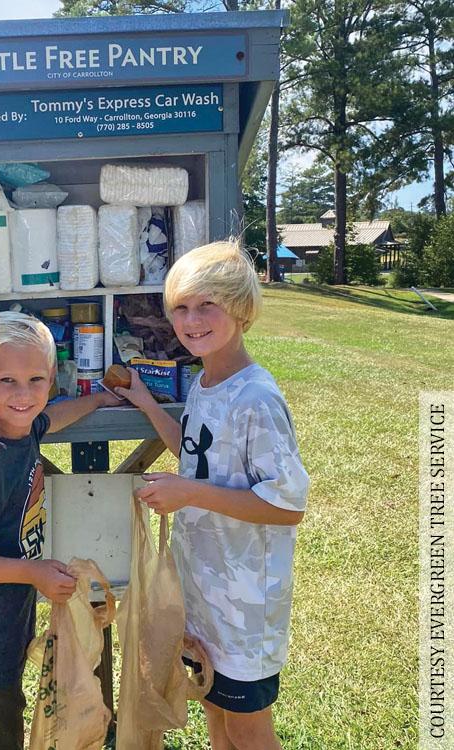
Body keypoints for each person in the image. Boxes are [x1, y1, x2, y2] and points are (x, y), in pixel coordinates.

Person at [115, 241, 310, 750]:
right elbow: (195, 451)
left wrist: (189, 494)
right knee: (213, 706)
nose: (191, 320)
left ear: (241, 310)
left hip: (245, 601)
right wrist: (146, 402)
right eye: (180, 307)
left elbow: (287, 506)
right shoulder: (206, 383)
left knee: (247, 727)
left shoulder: (257, 398)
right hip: (204, 588)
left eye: (208, 305)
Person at [0, 311, 121, 750]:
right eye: (7, 382)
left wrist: (98, 401)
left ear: (51, 378)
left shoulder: (23, 428)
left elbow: (53, 417)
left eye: (35, 380)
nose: (24, 395)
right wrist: (32, 573)